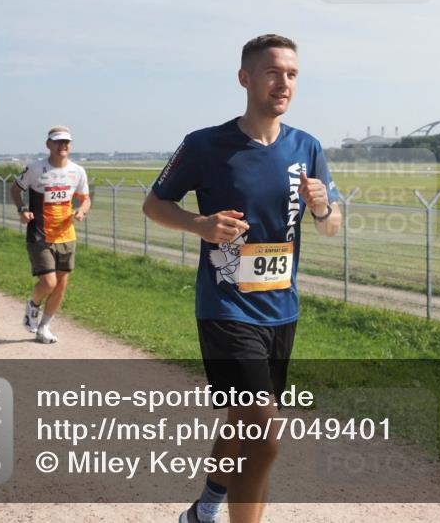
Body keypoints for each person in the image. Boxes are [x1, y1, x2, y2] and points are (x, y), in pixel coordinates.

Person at [143, 34, 341, 523]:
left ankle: (205, 507)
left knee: (241, 422)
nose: (284, 83)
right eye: (274, 72)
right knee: (265, 439)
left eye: (292, 74)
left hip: (281, 308)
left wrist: (322, 207)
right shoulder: (205, 144)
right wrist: (199, 225)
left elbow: (331, 225)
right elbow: (154, 203)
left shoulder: (307, 146)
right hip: (226, 309)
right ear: (245, 78)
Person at [10, 126, 91, 345]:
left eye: (66, 142)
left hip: (66, 235)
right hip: (40, 234)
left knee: (61, 285)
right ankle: (33, 306)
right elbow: (15, 189)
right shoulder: (36, 169)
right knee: (48, 282)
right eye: (57, 142)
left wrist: (81, 211)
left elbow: (85, 199)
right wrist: (22, 209)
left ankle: (44, 326)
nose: (62, 145)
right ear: (48, 144)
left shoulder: (77, 171)